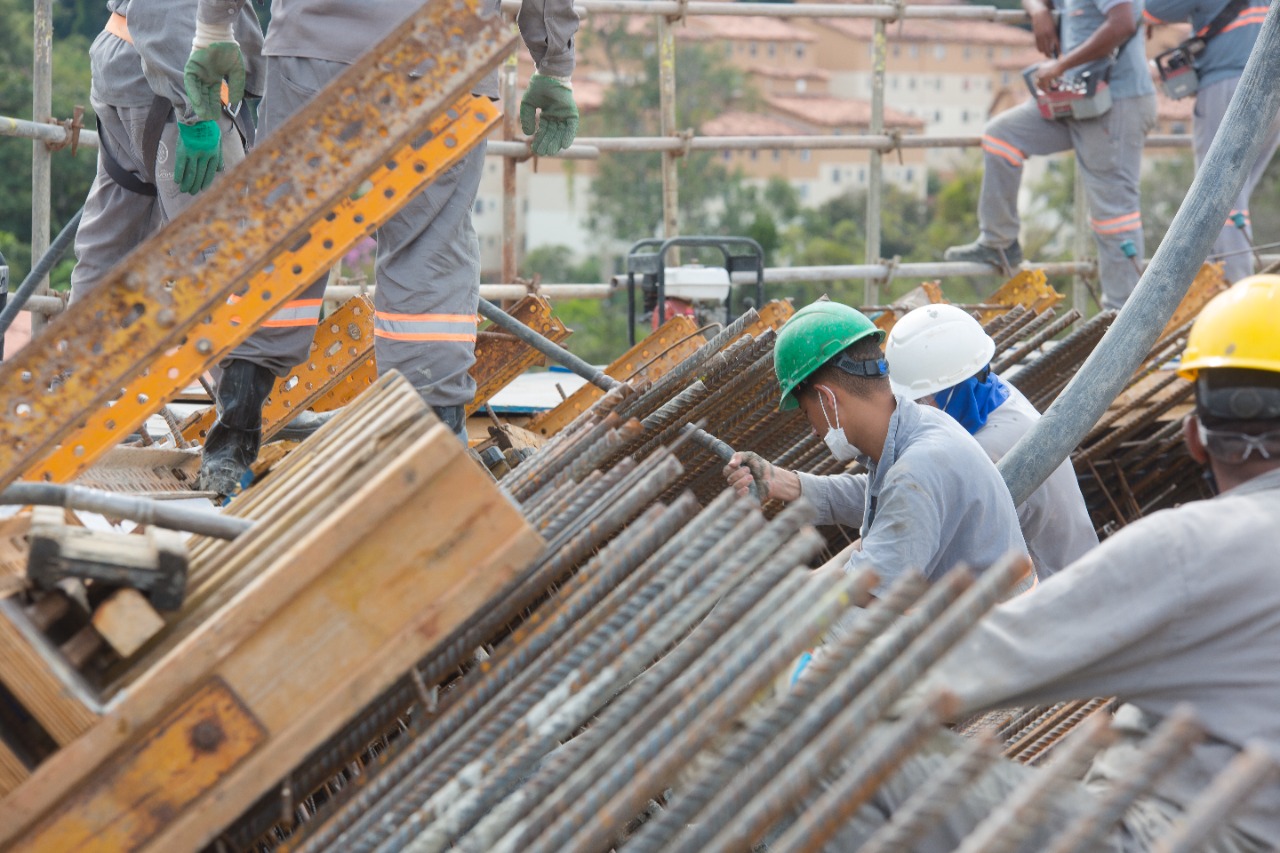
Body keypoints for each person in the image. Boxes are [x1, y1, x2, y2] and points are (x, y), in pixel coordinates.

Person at [828, 275, 1280, 851]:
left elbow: (980, 664)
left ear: (1195, 437)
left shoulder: (1191, 546)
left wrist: (811, 680)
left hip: (1178, 835)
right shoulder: (998, 412)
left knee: (844, 756)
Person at [184, 0, 581, 496]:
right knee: (429, 254)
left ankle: (231, 448)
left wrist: (213, 26)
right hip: (447, 57)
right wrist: (553, 64)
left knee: (282, 244)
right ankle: (434, 454)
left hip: (316, 50)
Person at [723, 301, 1030, 592]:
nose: (814, 431)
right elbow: (888, 499)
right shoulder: (918, 429)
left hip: (987, 638)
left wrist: (779, 597)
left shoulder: (920, 465)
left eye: (807, 414)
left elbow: (867, 591)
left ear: (828, 399)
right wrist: (787, 484)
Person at [944, 0, 1157, 310]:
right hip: (1076, 97)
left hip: (1116, 102)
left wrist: (1061, 65)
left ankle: (1123, 318)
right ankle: (999, 243)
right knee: (1002, 137)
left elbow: (1122, 23)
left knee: (1113, 216)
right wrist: (1038, 11)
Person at [884, 303, 1098, 579]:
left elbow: (924, 533)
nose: (917, 409)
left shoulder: (988, 451)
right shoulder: (995, 395)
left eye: (920, 399)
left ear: (950, 389)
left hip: (1054, 595)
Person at [70, 0, 264, 301]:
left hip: (136, 65)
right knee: (222, 256)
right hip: (173, 70)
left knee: (110, 257)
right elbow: (160, 7)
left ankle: (78, 346)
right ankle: (225, 349)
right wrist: (197, 112)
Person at [1145, 0, 1279, 283]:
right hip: (1273, 87)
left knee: (1217, 195)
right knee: (1232, 193)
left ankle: (1233, 287)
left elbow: (1149, 9)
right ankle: (1214, 278)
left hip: (1228, 87)